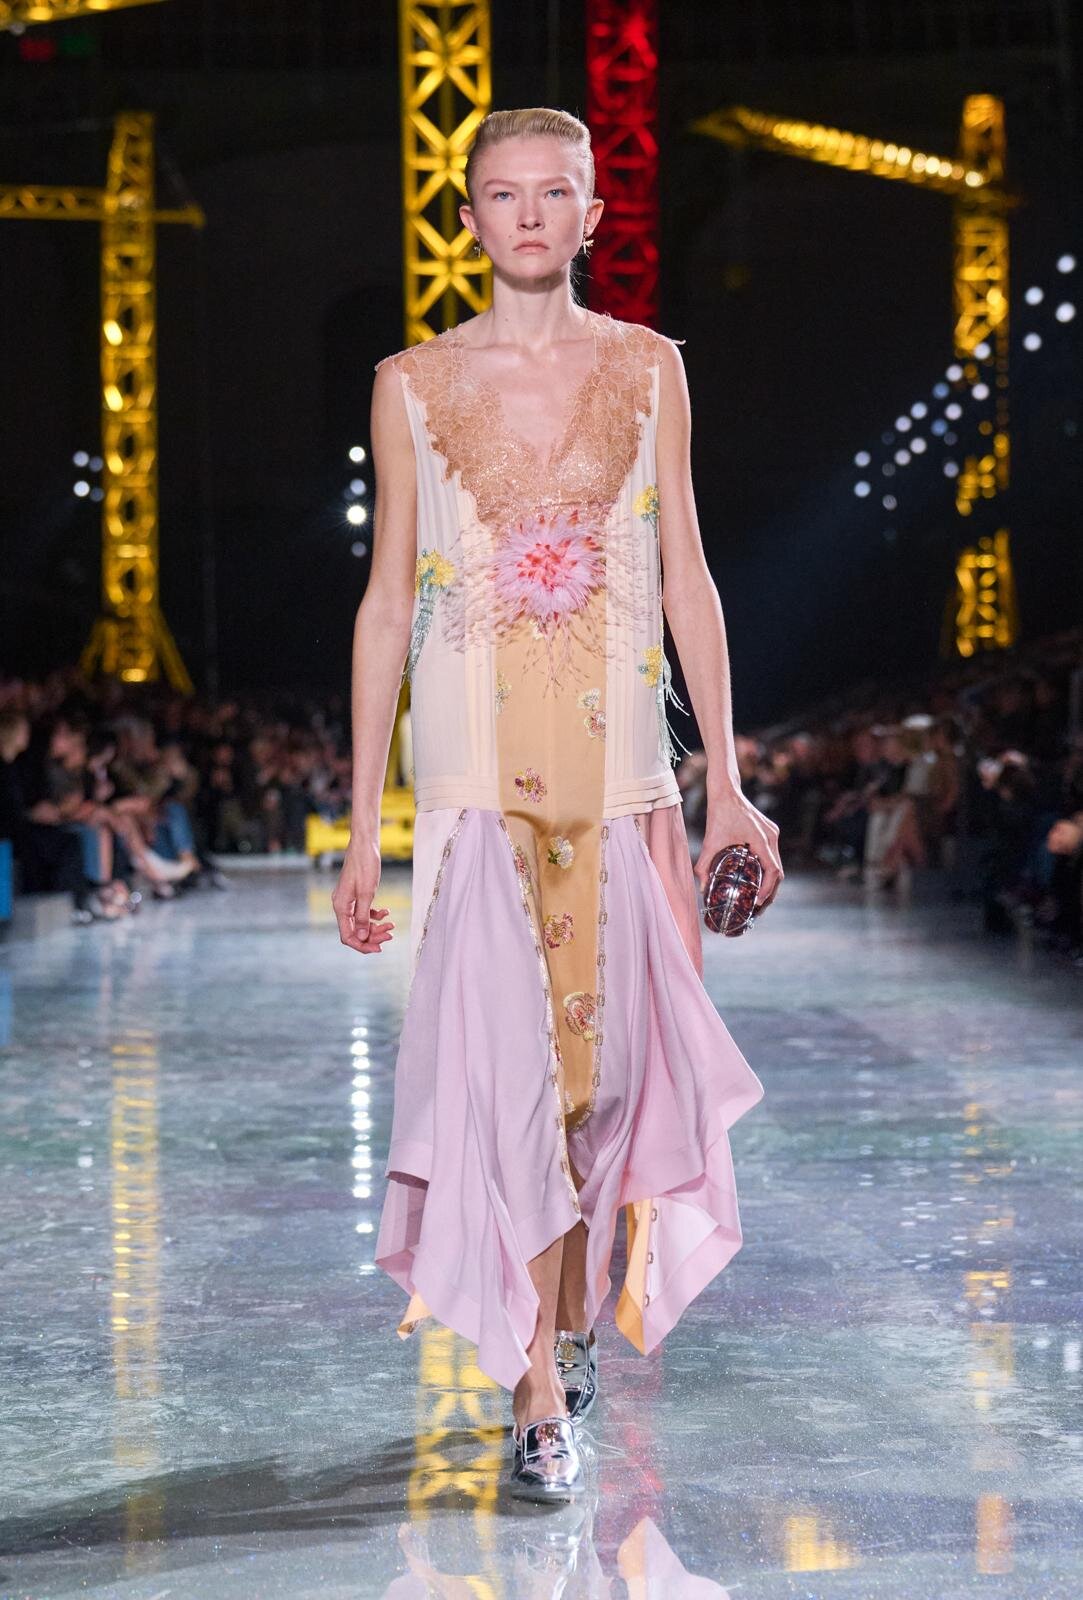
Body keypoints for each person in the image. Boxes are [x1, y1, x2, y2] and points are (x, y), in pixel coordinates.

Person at [332, 107, 781, 1501]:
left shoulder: (650, 370)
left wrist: (727, 783)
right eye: (503, 192)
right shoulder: (411, 385)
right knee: (508, 1087)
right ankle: (536, 1390)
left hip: (623, 781)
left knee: (605, 1091)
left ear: (592, 214)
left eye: (555, 192)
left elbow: (687, 574)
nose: (528, 214)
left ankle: (566, 1325)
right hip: (476, 787)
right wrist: (361, 823)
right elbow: (389, 602)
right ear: (468, 215)